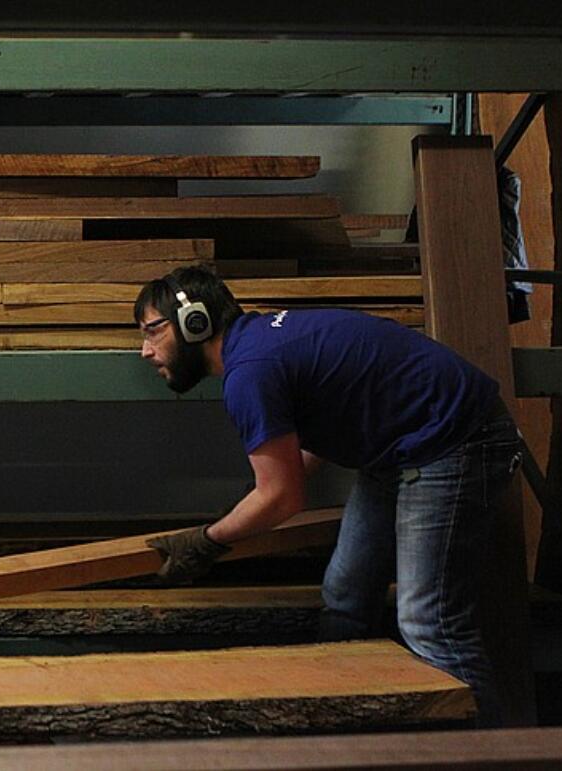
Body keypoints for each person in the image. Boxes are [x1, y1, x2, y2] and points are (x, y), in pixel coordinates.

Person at [136, 265, 522, 727]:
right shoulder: (261, 345)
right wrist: (249, 505)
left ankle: (497, 751)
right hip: (399, 445)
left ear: (194, 323)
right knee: (346, 595)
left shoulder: (250, 373)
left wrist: (208, 541)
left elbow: (283, 498)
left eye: (152, 331)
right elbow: (308, 444)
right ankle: (343, 730)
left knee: (429, 622)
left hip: (454, 441)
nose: (145, 350)